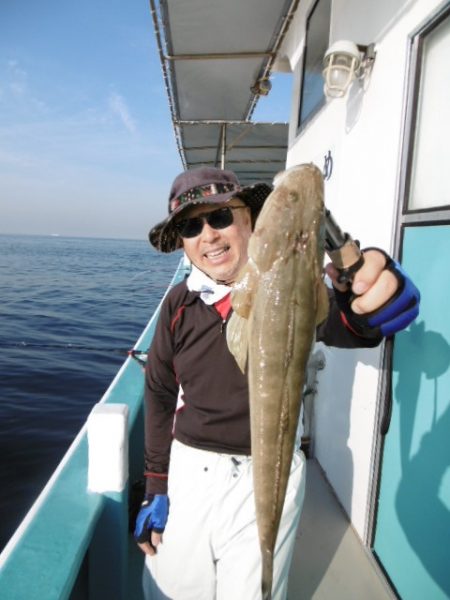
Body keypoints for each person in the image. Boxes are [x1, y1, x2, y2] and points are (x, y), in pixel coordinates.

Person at [134, 166, 420, 600]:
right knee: (169, 590)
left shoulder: (302, 283)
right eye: (192, 226)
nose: (208, 235)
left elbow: (350, 323)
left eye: (221, 217)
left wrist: (370, 300)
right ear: (183, 243)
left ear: (251, 219)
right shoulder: (178, 303)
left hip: (269, 472)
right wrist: (156, 482)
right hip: (191, 469)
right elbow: (158, 392)